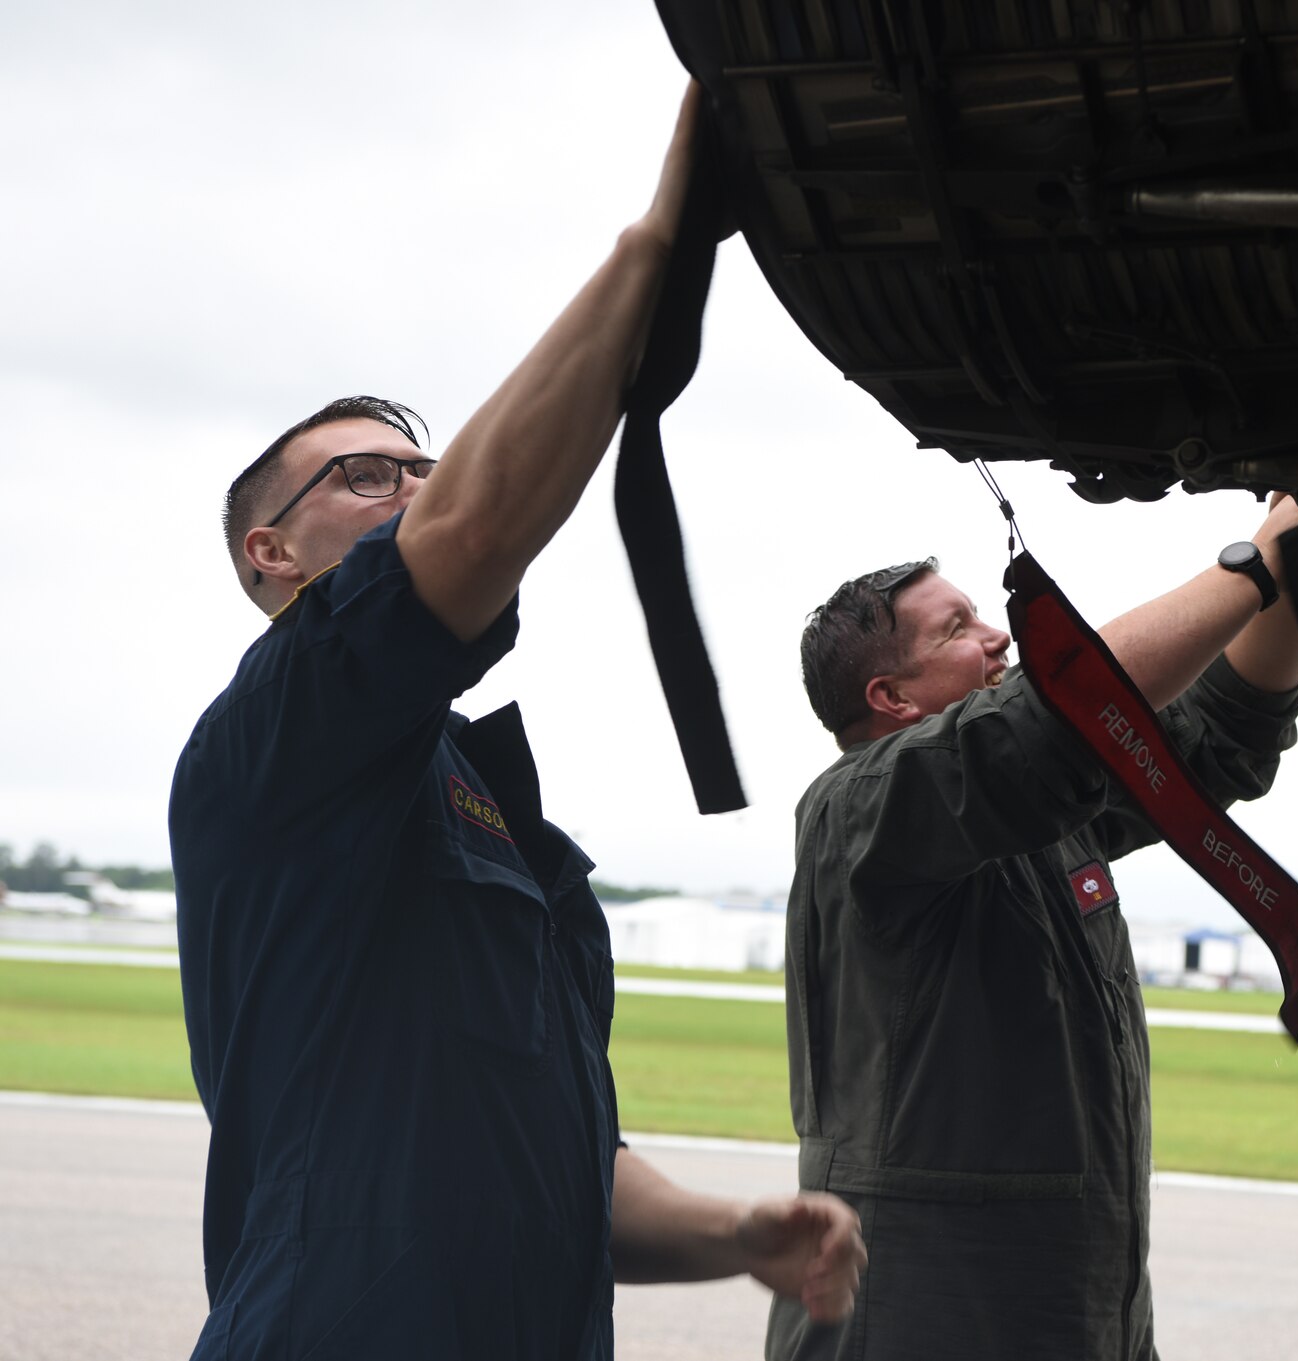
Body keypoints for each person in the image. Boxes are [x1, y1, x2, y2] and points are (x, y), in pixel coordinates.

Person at [168, 85, 863, 1361]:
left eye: (423, 467)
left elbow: (545, 1149)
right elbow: (476, 528)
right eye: (365, 474)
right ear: (269, 553)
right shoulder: (272, 736)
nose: (413, 488)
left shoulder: (471, 793)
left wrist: (730, 1233)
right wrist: (654, 249)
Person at [771, 498, 1298, 1361]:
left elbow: (1215, 734)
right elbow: (1057, 722)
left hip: (1079, 1321)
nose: (996, 636)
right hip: (920, 1325)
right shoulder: (863, 808)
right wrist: (1253, 565)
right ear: (889, 697)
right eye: (958, 628)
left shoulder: (1036, 824)